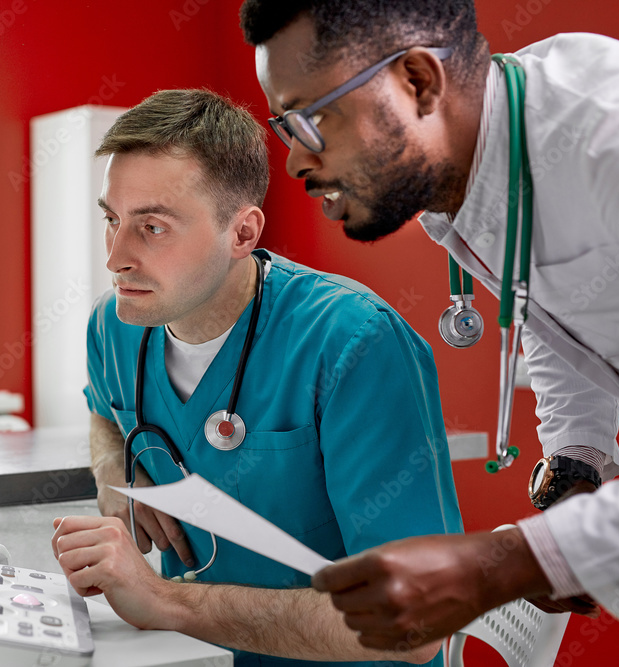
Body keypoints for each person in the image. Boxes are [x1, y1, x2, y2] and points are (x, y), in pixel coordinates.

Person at [239, 0, 619, 649]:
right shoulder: (472, 173)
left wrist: (506, 564)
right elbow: (553, 300)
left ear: (416, 81)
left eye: (313, 118)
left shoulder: (605, 137)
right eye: (286, 127)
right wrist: (577, 458)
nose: (296, 164)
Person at [51, 88, 463, 666]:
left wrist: (166, 601)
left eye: (153, 227)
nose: (116, 256)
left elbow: (415, 626)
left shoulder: (353, 344)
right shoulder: (114, 325)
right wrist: (118, 467)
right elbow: (104, 408)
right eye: (112, 220)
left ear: (242, 234)